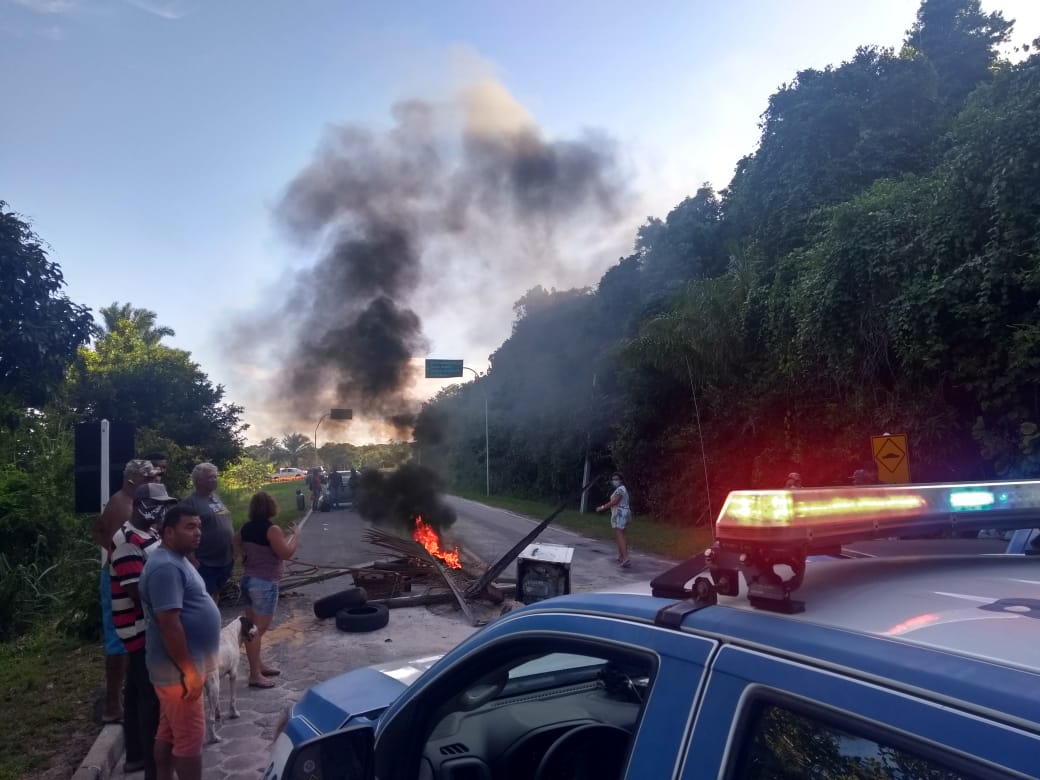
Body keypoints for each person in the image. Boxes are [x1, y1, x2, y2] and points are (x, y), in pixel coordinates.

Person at [139, 504, 221, 780]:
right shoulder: (165, 568)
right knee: (189, 739)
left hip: (175, 668)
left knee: (169, 731)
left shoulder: (176, 559)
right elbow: (169, 623)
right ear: (169, 531)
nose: (198, 532)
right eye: (190, 527)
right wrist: (188, 670)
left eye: (199, 526)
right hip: (177, 671)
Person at [109, 482, 178, 779]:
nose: (161, 510)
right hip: (139, 629)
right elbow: (137, 591)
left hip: (146, 628)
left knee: (137, 692)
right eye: (156, 504)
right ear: (139, 505)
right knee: (151, 701)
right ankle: (154, 769)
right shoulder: (126, 540)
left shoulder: (148, 533)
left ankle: (135, 755)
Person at [92, 458, 160, 727]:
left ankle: (119, 700)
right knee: (119, 641)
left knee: (125, 640)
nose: (153, 482)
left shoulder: (124, 500)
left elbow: (97, 529)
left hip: (120, 574)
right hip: (121, 581)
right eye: (147, 479)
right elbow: (119, 540)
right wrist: (117, 558)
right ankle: (112, 705)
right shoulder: (124, 506)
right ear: (132, 481)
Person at [234, 491, 299, 688]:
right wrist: (296, 537)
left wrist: (244, 553)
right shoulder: (272, 530)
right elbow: (285, 553)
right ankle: (254, 675)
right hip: (264, 584)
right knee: (256, 630)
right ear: (271, 507)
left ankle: (258, 665)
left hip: (247, 581)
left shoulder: (245, 528)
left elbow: (234, 540)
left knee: (252, 628)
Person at [182, 462, 234, 603]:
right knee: (203, 599)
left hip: (225, 559)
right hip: (206, 562)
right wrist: (192, 559)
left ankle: (213, 623)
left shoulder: (215, 498)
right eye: (209, 478)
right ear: (198, 481)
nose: (214, 480)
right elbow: (185, 533)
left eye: (215, 477)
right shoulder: (191, 503)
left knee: (215, 595)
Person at [596, 472, 632, 568]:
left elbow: (614, 501)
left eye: (616, 479)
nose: (614, 481)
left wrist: (602, 507)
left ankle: (625, 558)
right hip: (622, 513)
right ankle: (621, 556)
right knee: (621, 535)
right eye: (613, 479)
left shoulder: (620, 489)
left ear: (621, 480)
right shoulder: (621, 489)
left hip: (620, 514)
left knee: (620, 535)